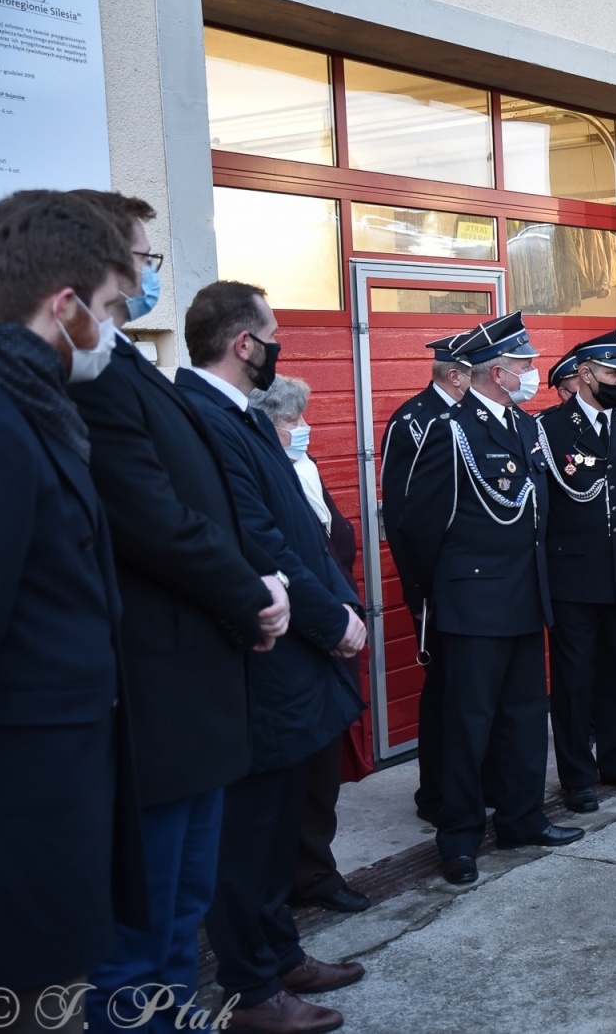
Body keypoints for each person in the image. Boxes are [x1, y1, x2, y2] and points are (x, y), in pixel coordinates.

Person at [67, 191, 295, 1032]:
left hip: (197, 681)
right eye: (141, 253)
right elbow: (153, 518)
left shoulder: (126, 362)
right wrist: (254, 596)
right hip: (157, 686)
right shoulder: (89, 374)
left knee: (176, 913)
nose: (150, 269)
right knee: (145, 923)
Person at [0, 189, 145, 1033]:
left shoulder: (26, 403)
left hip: (46, 803)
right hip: (13, 821)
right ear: (64, 305)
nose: (116, 328)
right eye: (111, 308)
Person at [178, 281, 368, 1034]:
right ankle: (253, 988)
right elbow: (260, 538)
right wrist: (331, 622)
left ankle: (281, 953)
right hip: (268, 657)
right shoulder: (205, 417)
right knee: (250, 837)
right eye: (274, 333)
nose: (279, 343)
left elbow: (298, 528)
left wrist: (341, 606)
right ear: (244, 343)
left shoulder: (239, 415)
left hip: (299, 650)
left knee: (281, 823)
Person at [396, 312, 584, 886]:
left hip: (525, 595)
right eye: (524, 364)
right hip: (473, 600)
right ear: (497, 373)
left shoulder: (526, 428)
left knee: (525, 717)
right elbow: (417, 525)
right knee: (467, 722)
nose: (533, 372)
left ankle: (522, 818)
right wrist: (432, 598)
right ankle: (458, 837)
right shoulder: (451, 429)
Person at [249, 375, 375, 919]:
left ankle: (315, 869)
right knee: (299, 770)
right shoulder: (260, 475)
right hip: (301, 634)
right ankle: (302, 876)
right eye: (290, 421)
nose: (304, 429)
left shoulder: (305, 467)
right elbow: (289, 559)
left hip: (333, 626)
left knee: (326, 767)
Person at [537, 329, 616, 813]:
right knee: (574, 680)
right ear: (585, 374)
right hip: (573, 575)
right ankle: (577, 775)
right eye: (612, 373)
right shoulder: (549, 428)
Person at [378, 334, 474, 828]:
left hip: (471, 585)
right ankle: (434, 794)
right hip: (436, 586)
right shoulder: (413, 420)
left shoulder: (466, 417)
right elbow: (401, 514)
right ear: (454, 375)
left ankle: (472, 785)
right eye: (474, 370)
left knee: (471, 692)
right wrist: (420, 591)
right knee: (443, 691)